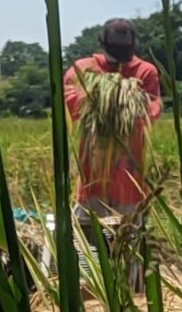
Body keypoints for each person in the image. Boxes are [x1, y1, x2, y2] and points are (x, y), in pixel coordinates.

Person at [64, 18, 162, 221]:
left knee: (130, 238)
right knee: (88, 241)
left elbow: (151, 110)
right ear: (102, 43)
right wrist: (101, 99)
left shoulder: (145, 72)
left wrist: (122, 102)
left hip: (130, 179)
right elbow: (71, 104)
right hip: (93, 177)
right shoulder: (84, 70)